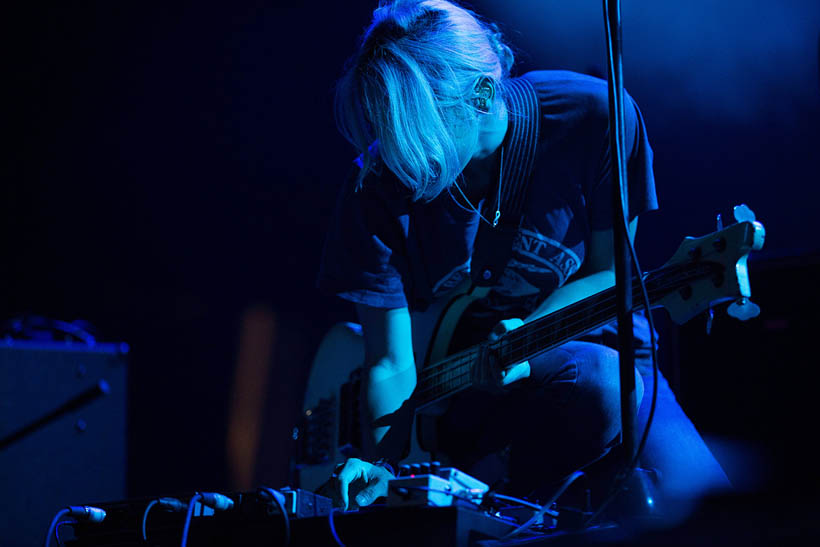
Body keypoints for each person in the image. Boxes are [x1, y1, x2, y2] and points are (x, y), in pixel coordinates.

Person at [317, 0, 731, 519]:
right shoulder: (376, 183)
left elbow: (609, 271)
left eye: (417, 129)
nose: (399, 156)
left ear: (483, 96)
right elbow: (390, 360)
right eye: (387, 128)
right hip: (467, 404)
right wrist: (380, 463)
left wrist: (523, 338)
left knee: (718, 513)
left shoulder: (596, 116)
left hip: (602, 349)